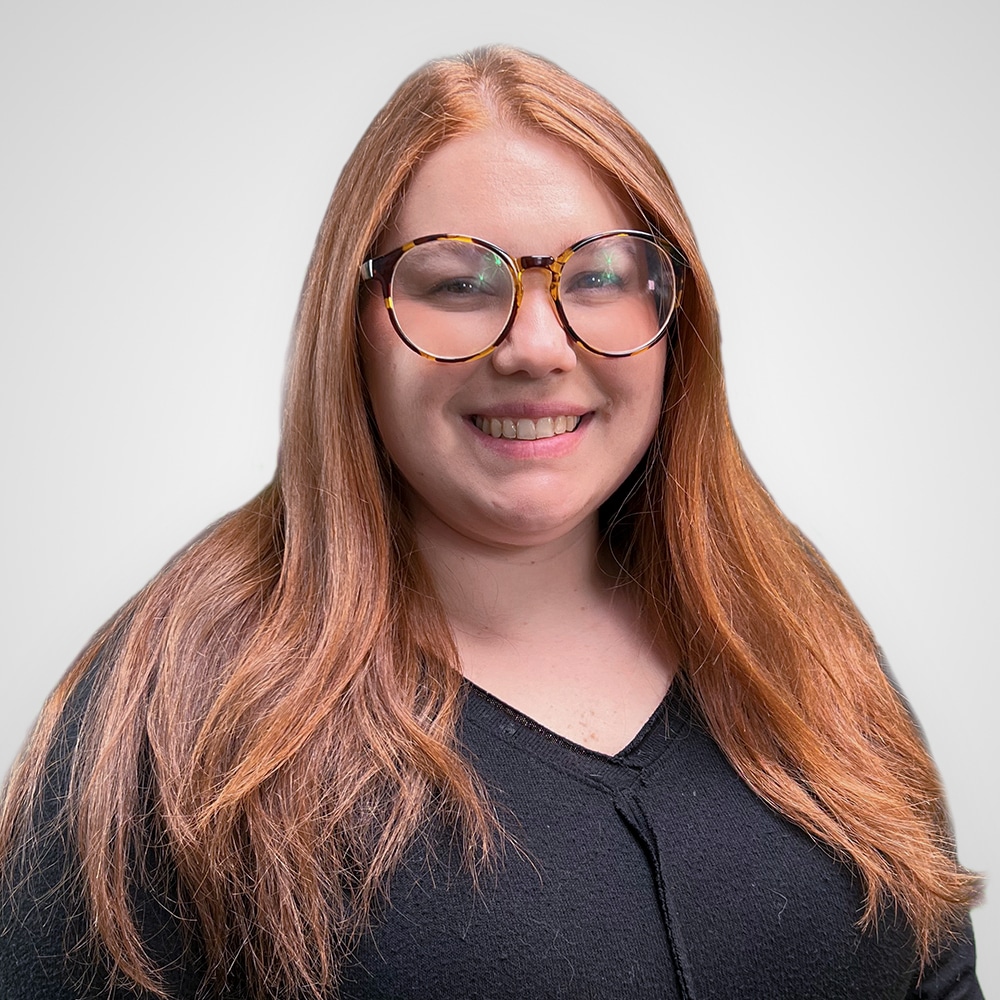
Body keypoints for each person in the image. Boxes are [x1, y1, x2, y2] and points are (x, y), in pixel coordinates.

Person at [0, 44, 983, 1000]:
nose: (536, 348)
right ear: (357, 323)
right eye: (460, 284)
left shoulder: (789, 628)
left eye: (597, 276)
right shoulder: (177, 708)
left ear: (675, 316)